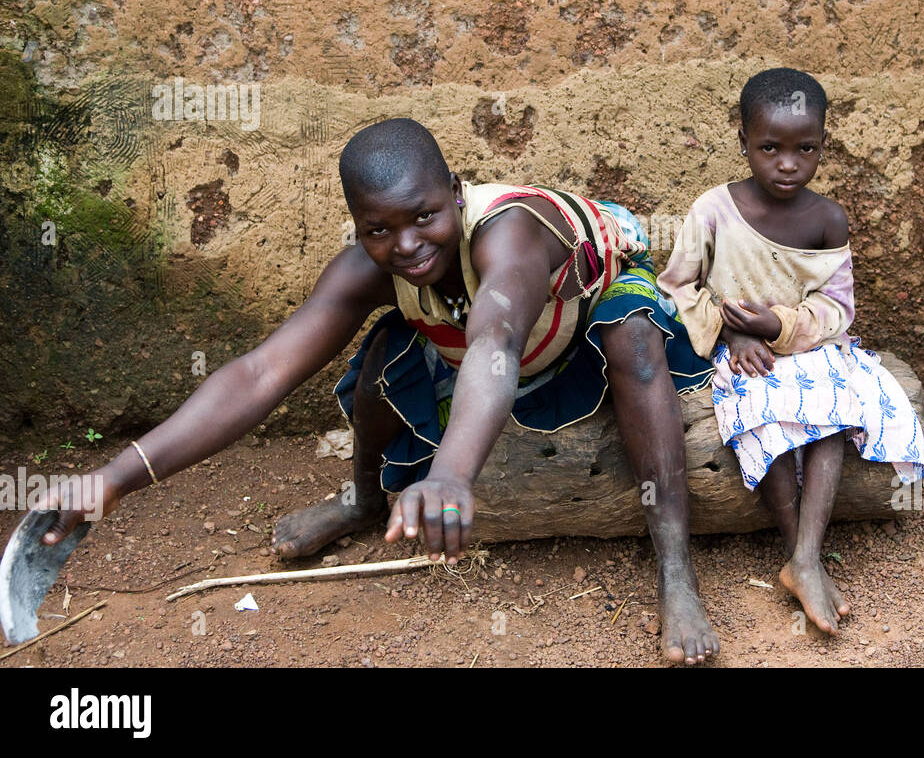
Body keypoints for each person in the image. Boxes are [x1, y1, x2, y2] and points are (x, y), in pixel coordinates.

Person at [36, 117, 721, 665]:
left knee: (634, 341)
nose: (407, 244)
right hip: (488, 350)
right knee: (383, 360)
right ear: (358, 225)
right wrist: (113, 477)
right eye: (378, 229)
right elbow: (260, 372)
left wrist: (452, 474)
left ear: (455, 190)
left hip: (581, 321)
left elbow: (497, 339)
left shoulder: (509, 234)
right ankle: (365, 500)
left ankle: (674, 567)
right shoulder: (370, 265)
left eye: (423, 216)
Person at [657, 68, 924, 634]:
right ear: (743, 144)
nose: (787, 163)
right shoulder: (712, 211)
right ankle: (797, 554)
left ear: (823, 145)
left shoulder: (827, 219)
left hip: (809, 348)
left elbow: (837, 308)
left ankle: (807, 555)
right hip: (739, 352)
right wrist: (733, 332)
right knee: (766, 412)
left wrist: (777, 324)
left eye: (805, 149)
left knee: (830, 409)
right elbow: (677, 288)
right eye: (769, 148)